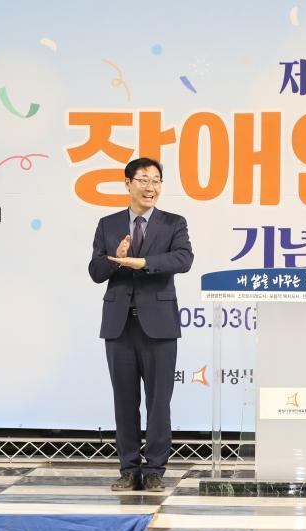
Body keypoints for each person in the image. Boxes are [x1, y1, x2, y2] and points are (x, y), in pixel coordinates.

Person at [89, 158, 193, 492]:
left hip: (159, 326)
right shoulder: (108, 224)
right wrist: (114, 260)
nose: (151, 187)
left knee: (159, 402)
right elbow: (95, 271)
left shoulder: (173, 223)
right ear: (128, 183)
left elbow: (183, 259)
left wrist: (143, 262)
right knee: (124, 401)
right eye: (144, 180)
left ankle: (155, 471)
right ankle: (129, 469)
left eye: (156, 181)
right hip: (119, 326)